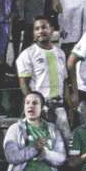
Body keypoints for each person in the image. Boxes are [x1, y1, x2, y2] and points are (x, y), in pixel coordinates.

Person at [16, 16, 70, 144]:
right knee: (42, 143)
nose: (41, 31)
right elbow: (23, 83)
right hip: (41, 108)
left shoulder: (60, 53)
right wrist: (35, 105)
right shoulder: (27, 54)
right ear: (33, 33)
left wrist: (69, 106)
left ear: (52, 30)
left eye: (44, 27)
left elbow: (65, 81)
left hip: (59, 107)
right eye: (37, 29)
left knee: (66, 142)